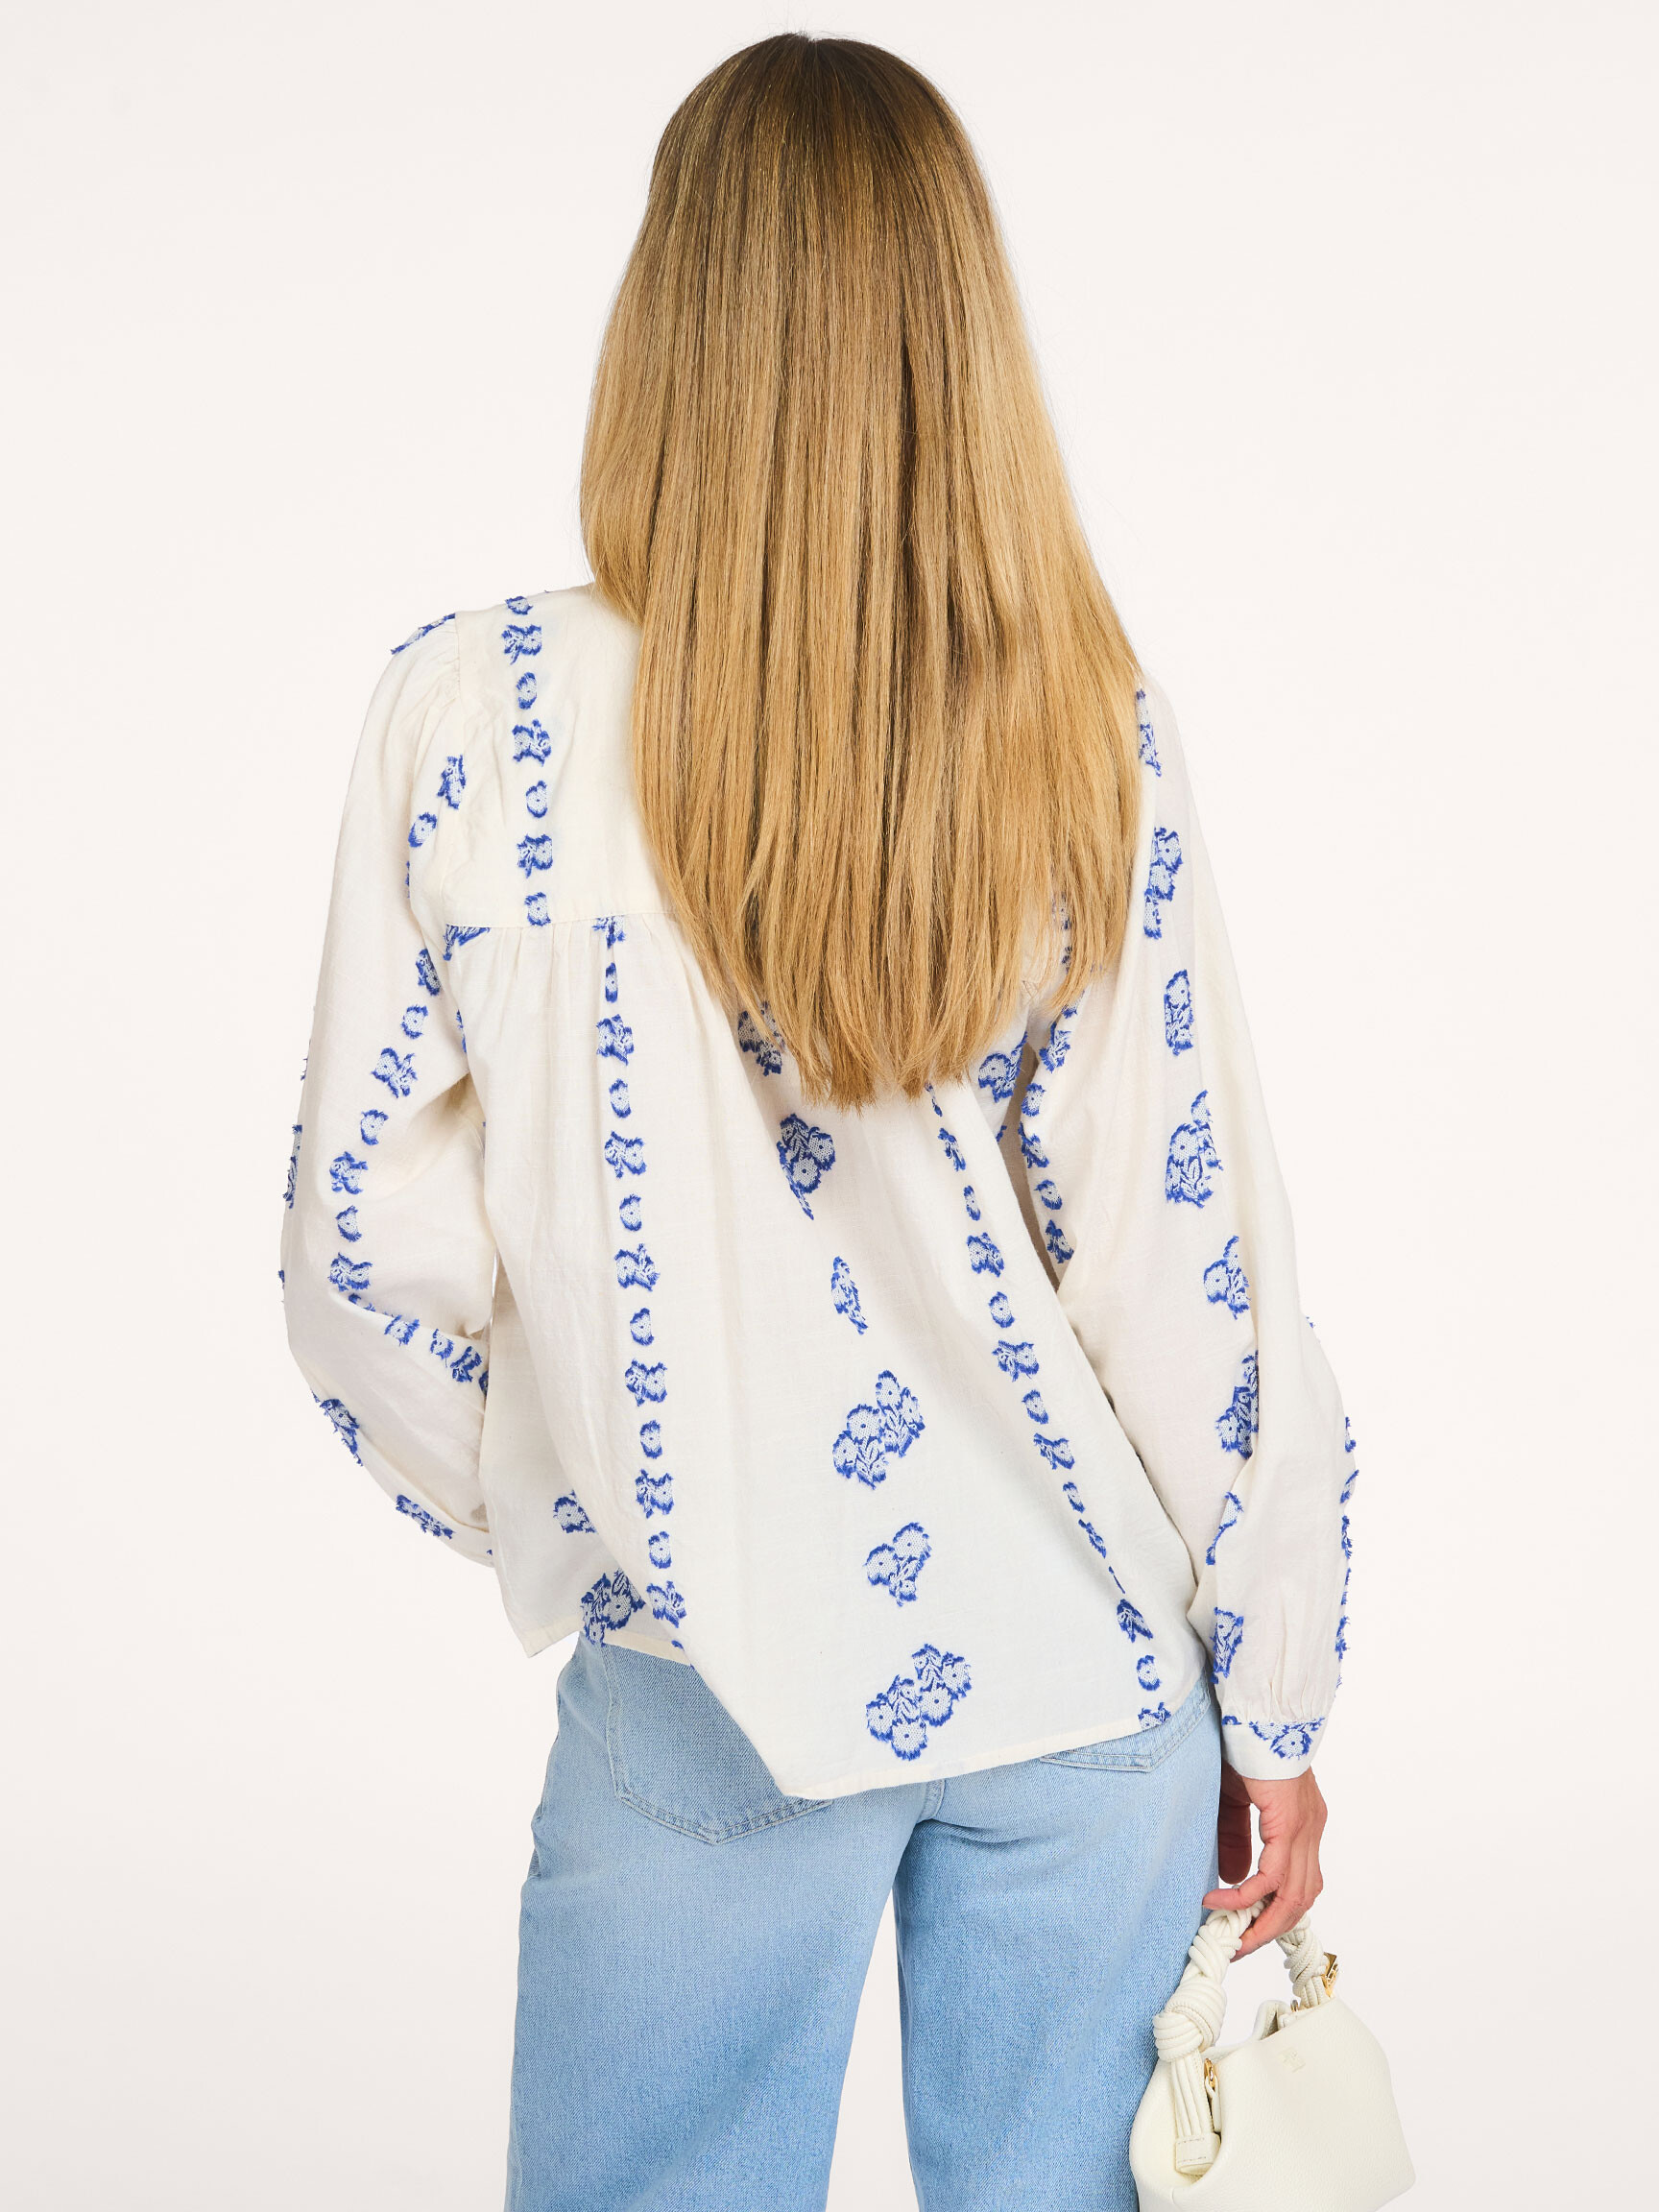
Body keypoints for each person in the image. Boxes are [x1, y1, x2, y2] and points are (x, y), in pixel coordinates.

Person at [281, 33, 1348, 2212]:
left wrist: (597, 1499)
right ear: (963, 326)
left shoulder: (474, 710)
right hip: (1090, 1681)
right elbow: (1189, 1267)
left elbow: (358, 1256)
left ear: (666, 310)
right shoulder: (1083, 721)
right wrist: (1278, 1699)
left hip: (709, 1675)